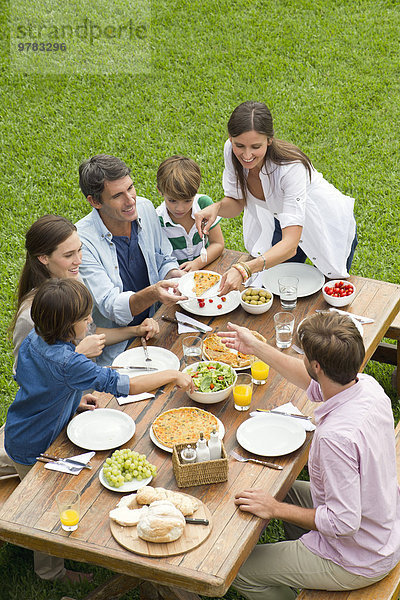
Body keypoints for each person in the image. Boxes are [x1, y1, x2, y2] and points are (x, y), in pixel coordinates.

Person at [4, 278, 192, 581]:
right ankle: (50, 571)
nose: (91, 321)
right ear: (67, 326)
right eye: (85, 318)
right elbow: (125, 385)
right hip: (38, 445)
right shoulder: (70, 362)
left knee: (19, 466)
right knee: (45, 504)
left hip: (20, 427)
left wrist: (72, 396)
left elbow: (38, 381)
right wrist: (171, 374)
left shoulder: (36, 339)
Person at [219, 312, 400, 600]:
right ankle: (300, 562)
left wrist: (275, 509)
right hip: (383, 524)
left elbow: (343, 523)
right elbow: (311, 382)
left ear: (317, 365)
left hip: (359, 556)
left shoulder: (335, 439)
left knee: (237, 570)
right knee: (280, 490)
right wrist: (256, 347)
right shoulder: (367, 387)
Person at [195, 101, 357, 296]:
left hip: (324, 224)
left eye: (256, 146)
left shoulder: (291, 168)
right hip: (281, 220)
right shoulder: (230, 150)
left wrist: (244, 269)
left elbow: (290, 246)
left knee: (327, 295)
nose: (246, 155)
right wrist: (217, 207)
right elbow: (237, 204)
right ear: (231, 139)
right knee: (278, 290)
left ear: (269, 140)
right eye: (240, 145)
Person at [76, 154, 185, 366]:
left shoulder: (143, 207)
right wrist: (154, 292)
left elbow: (163, 259)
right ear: (94, 201)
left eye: (130, 188)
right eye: (118, 195)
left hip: (159, 323)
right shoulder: (83, 242)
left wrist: (174, 275)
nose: (130, 200)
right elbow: (111, 306)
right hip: (118, 346)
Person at [156, 155, 224, 271]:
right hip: (177, 275)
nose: (180, 208)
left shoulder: (204, 205)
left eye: (188, 201)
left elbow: (217, 243)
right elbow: (160, 259)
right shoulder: (158, 220)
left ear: (196, 191)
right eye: (172, 200)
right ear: (160, 191)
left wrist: (197, 264)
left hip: (206, 266)